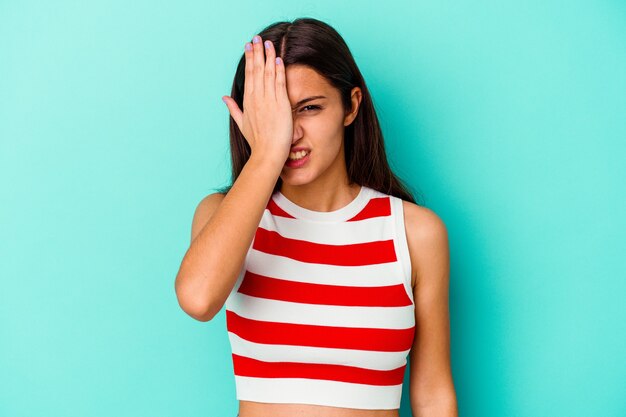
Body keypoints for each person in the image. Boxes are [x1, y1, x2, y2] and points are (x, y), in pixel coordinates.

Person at [175, 17, 458, 417]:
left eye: (308, 108)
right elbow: (198, 299)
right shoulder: (226, 216)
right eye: (273, 114)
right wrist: (265, 156)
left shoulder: (415, 233)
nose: (291, 134)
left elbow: (433, 394)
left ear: (351, 105)